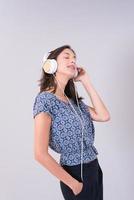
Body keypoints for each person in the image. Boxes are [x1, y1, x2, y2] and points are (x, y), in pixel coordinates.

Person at [33, 45, 110, 200]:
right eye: (67, 57)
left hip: (94, 169)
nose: (73, 60)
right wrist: (73, 184)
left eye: (74, 58)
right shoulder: (45, 100)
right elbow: (40, 154)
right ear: (51, 64)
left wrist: (86, 81)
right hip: (75, 174)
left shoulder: (74, 102)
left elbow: (104, 116)